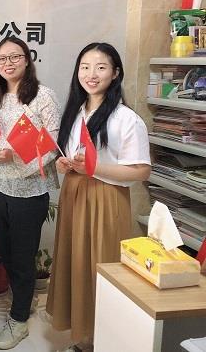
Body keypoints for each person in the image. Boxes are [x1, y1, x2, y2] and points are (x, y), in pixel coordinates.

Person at [46, 42, 151, 351]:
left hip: (106, 198)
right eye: (85, 67)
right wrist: (65, 164)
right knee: (75, 262)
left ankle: (103, 339)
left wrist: (94, 168)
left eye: (101, 67)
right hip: (74, 193)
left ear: (115, 73)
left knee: (100, 265)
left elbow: (141, 171)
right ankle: (82, 336)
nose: (91, 74)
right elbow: (72, 155)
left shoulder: (126, 118)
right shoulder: (76, 112)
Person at [0, 36, 61, 350]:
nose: (8, 63)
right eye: (2, 59)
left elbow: (52, 144)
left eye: (15, 57)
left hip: (28, 191)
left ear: (27, 60)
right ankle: (22, 302)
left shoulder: (43, 96)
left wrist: (16, 157)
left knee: (23, 256)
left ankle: (19, 320)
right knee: (7, 251)